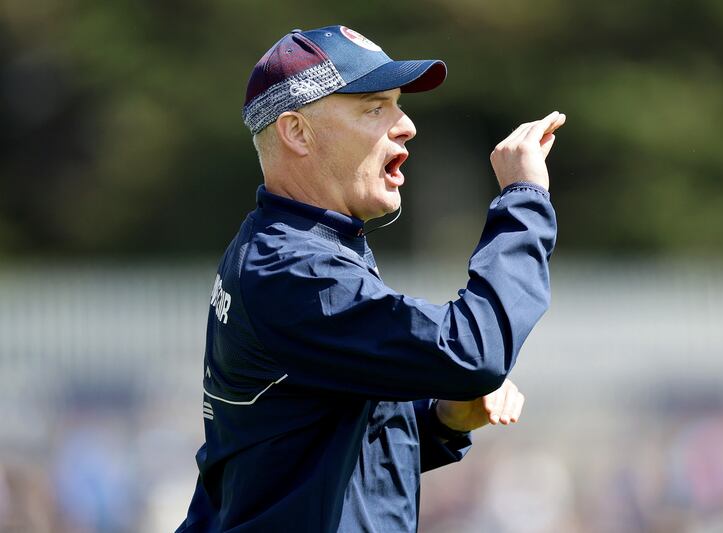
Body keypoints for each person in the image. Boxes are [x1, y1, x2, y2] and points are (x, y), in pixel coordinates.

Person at [176, 25, 565, 533]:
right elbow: (473, 351)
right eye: (374, 107)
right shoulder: (294, 269)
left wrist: (442, 418)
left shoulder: (295, 247)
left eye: (398, 105)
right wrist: (524, 200)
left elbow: (318, 454)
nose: (406, 126)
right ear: (297, 132)